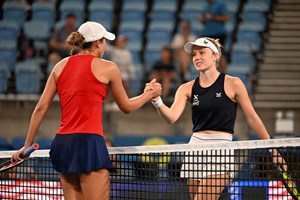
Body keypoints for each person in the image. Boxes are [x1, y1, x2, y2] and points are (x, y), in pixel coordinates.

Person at [11, 21, 161, 200]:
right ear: (98, 43)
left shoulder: (59, 66)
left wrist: (27, 145)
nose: (105, 45)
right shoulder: (109, 67)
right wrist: (149, 93)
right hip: (89, 142)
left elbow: (40, 108)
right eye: (104, 41)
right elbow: (126, 107)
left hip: (63, 144)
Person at [149, 37, 286, 200]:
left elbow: (252, 118)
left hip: (221, 148)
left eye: (202, 53)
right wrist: (157, 101)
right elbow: (171, 117)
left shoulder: (233, 83)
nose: (196, 57)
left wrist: (273, 148)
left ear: (215, 55)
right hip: (195, 148)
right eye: (194, 54)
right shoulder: (186, 88)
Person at [198, 0, 229, 73]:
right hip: (207, 34)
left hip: (218, 34)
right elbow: (205, 20)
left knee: (220, 55)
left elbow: (226, 18)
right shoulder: (205, 6)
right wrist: (202, 19)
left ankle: (224, 75)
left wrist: (213, 17)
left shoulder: (220, 4)